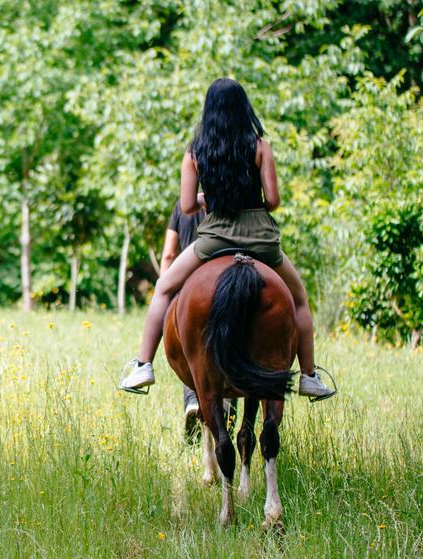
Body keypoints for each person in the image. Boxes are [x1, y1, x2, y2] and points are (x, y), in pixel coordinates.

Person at [118, 78, 335, 400]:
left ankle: (143, 365)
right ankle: (309, 376)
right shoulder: (260, 146)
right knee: (299, 299)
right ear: (243, 108)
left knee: (163, 289)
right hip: (261, 237)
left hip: (215, 237)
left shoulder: (195, 152)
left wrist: (213, 198)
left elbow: (188, 205)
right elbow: (273, 200)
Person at [160, 199, 206, 438]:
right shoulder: (226, 185)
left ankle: (192, 401)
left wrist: (164, 288)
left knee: (190, 351)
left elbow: (169, 253)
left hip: (188, 277)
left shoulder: (181, 206)